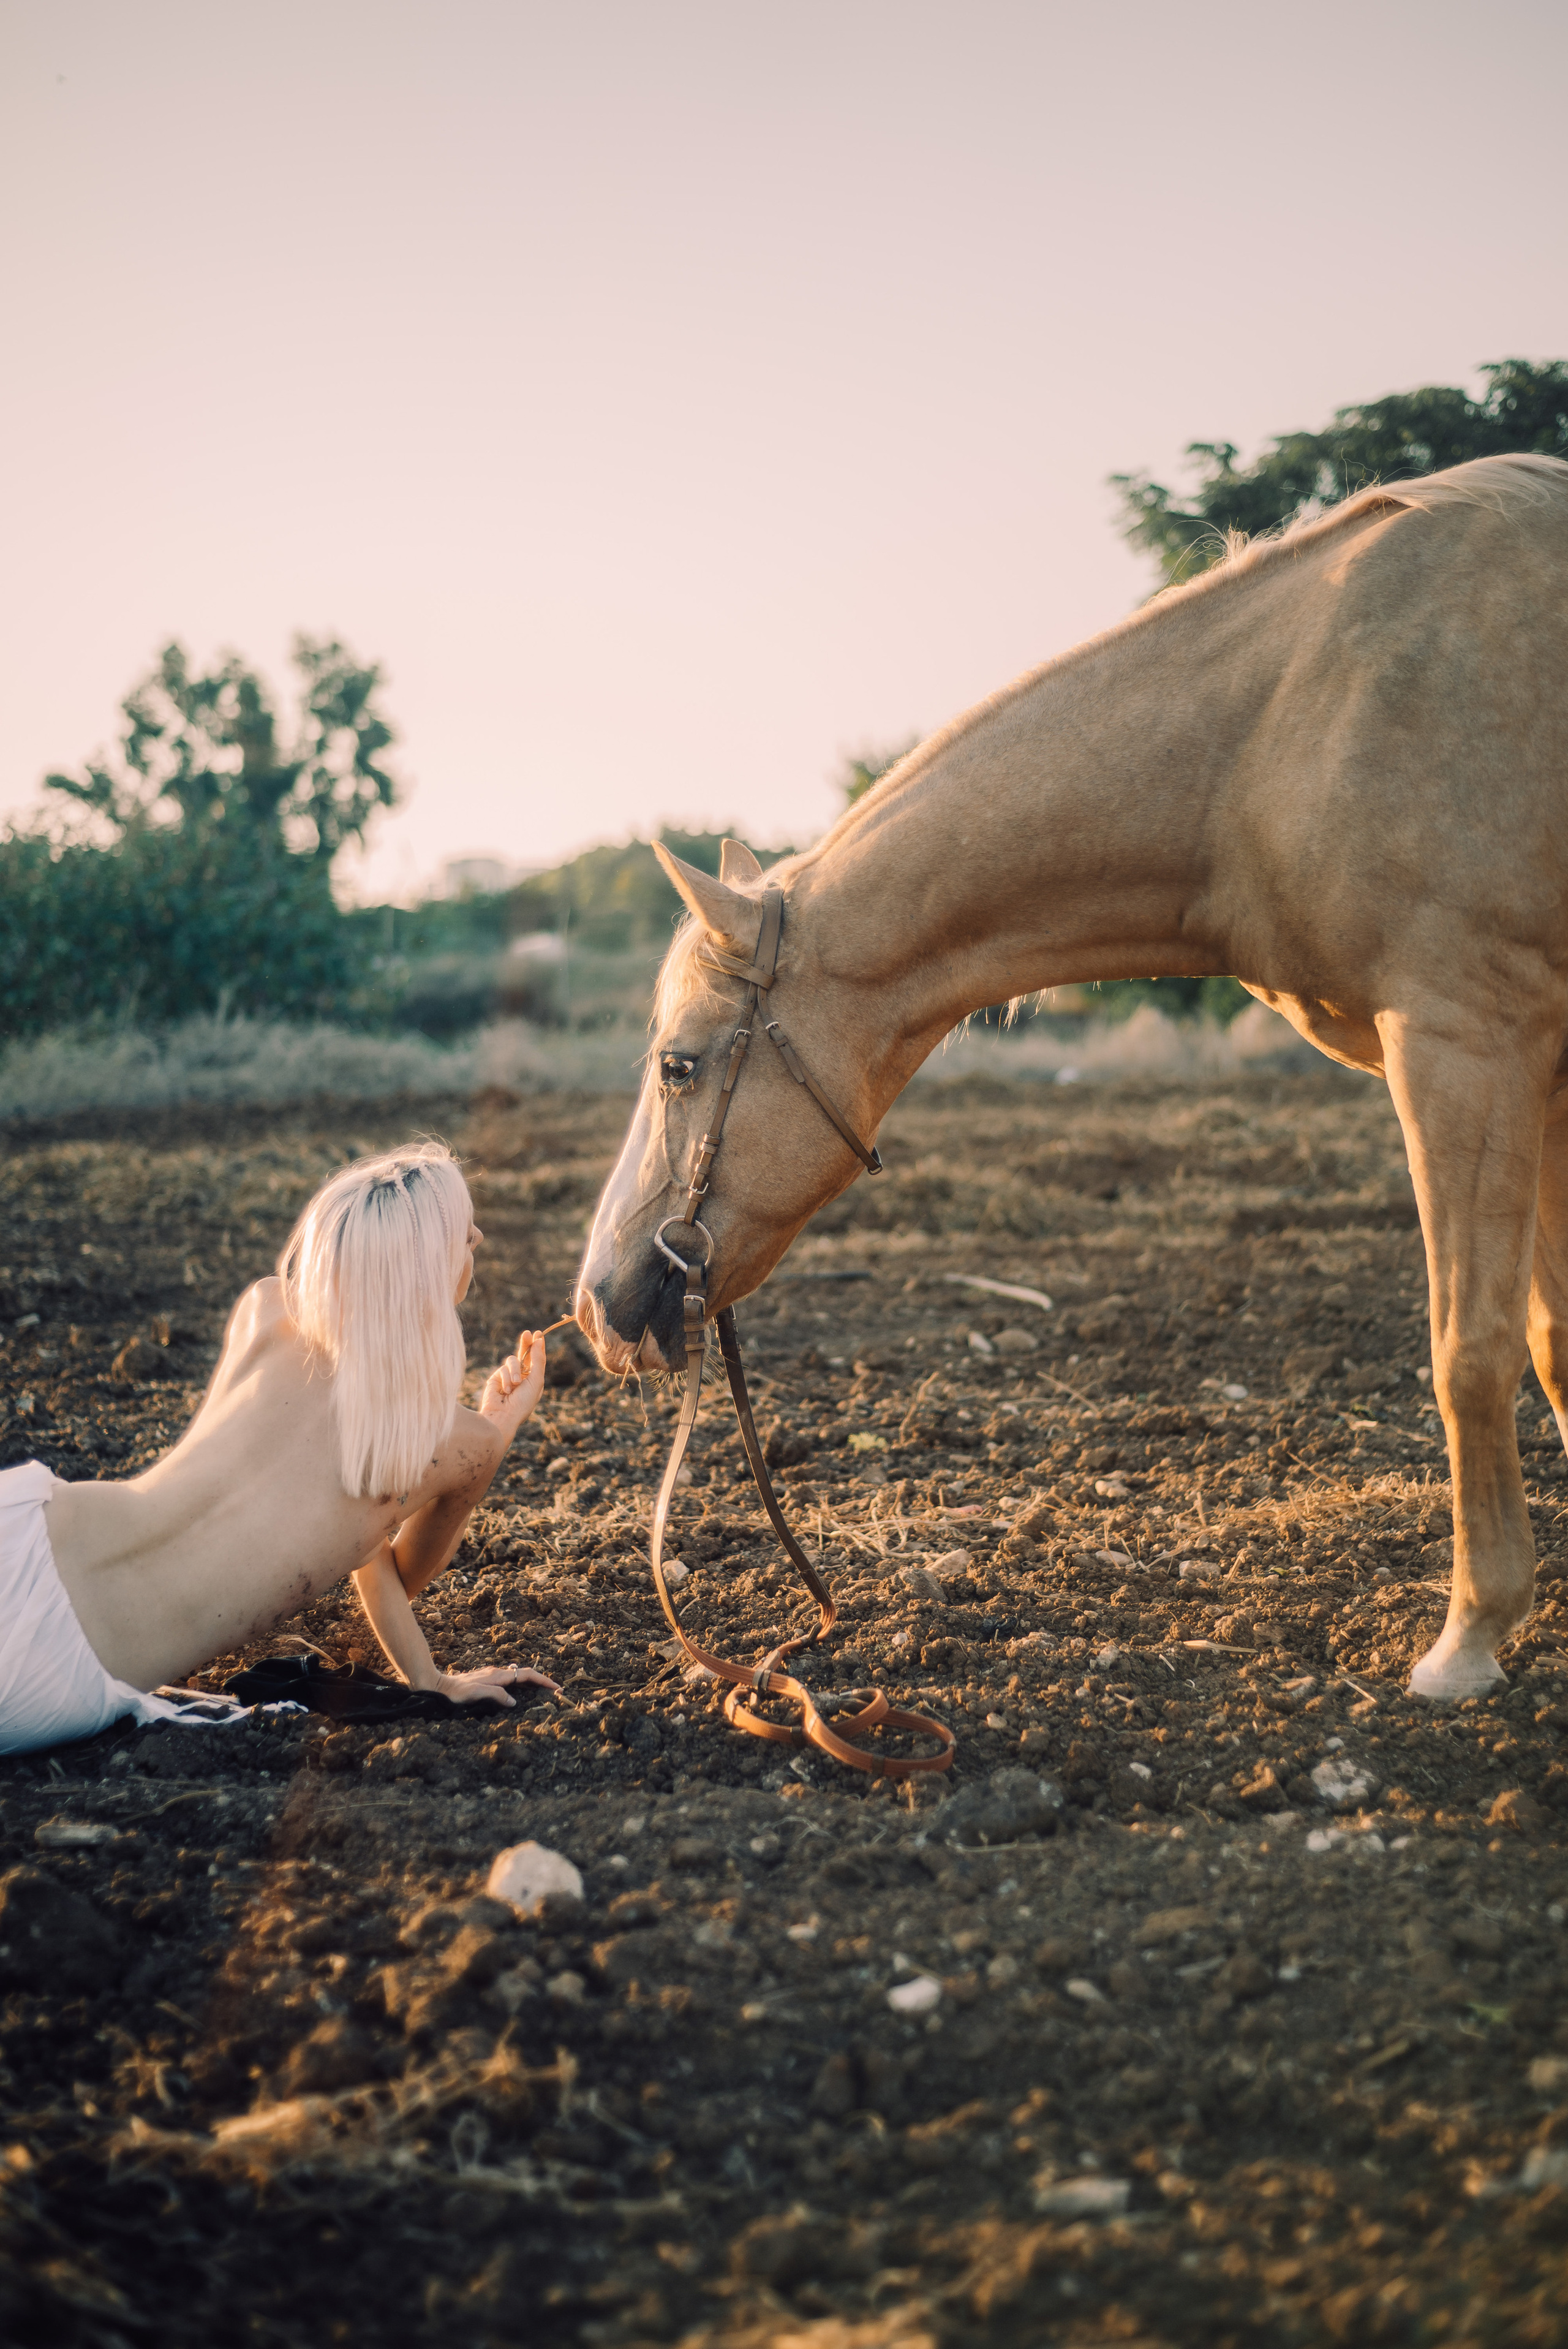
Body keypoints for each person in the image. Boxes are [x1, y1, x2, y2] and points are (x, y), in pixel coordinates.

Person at [0, 1139, 559, 1757]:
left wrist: (427, 1676)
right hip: (62, 1666)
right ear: (431, 1267)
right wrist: (497, 1431)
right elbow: (381, 1560)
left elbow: (349, 1537)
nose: (476, 1238)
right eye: (463, 1233)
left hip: (28, 1524)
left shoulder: (265, 1312)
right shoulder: (453, 1443)